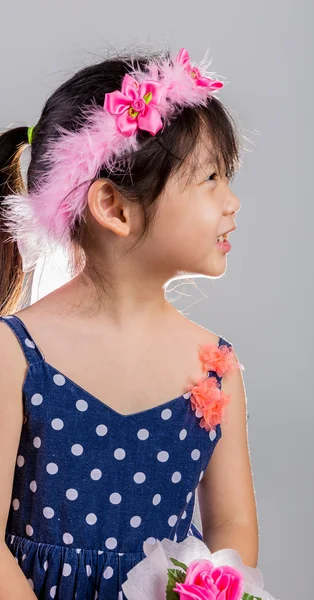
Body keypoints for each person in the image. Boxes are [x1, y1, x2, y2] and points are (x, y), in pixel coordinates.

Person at [0, 43, 257, 599]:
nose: (232, 201)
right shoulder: (16, 353)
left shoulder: (215, 366)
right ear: (114, 207)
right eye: (210, 177)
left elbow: (231, 526)